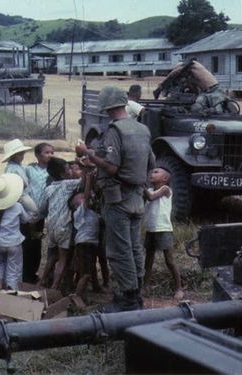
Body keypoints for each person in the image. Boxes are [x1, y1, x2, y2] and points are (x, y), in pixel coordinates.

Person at [82, 86, 154, 312]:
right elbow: (151, 163)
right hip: (137, 197)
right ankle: (137, 293)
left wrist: (90, 154)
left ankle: (127, 299)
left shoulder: (115, 130)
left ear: (105, 106)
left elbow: (111, 167)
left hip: (117, 198)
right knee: (134, 248)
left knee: (119, 249)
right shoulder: (143, 129)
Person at [38, 157, 80, 290]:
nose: (71, 171)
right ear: (63, 174)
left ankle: (42, 281)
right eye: (68, 169)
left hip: (51, 225)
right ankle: (55, 286)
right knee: (63, 259)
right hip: (64, 226)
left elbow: (42, 208)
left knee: (51, 256)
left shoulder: (49, 188)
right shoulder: (68, 185)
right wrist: (84, 167)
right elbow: (84, 181)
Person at [0, 173, 33, 290]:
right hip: (13, 243)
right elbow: (26, 220)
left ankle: (0, 283)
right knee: (13, 268)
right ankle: (11, 289)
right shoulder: (17, 207)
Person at [142, 168, 184, 300]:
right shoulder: (148, 190)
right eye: (152, 172)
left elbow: (151, 197)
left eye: (156, 172)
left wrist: (139, 183)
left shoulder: (166, 189)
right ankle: (145, 287)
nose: (152, 174)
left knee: (169, 261)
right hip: (150, 229)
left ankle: (178, 288)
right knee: (148, 260)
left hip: (164, 229)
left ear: (165, 178)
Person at [23, 142, 55, 283]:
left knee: (37, 245)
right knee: (28, 244)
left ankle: (33, 273)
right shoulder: (30, 170)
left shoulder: (53, 171)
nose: (50, 155)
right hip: (29, 213)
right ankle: (26, 274)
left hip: (43, 214)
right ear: (37, 154)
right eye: (46, 152)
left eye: (51, 153)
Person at [70, 169, 104, 300]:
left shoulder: (92, 213)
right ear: (75, 205)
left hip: (89, 244)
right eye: (81, 198)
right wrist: (88, 180)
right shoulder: (80, 211)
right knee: (86, 274)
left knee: (86, 271)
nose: (84, 198)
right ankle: (77, 296)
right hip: (85, 244)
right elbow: (88, 195)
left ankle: (80, 293)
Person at [2, 139, 38, 215]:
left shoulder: (19, 166)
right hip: (20, 195)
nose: (22, 157)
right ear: (12, 156)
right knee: (34, 210)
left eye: (23, 154)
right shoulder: (11, 168)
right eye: (19, 155)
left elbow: (27, 168)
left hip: (26, 192)